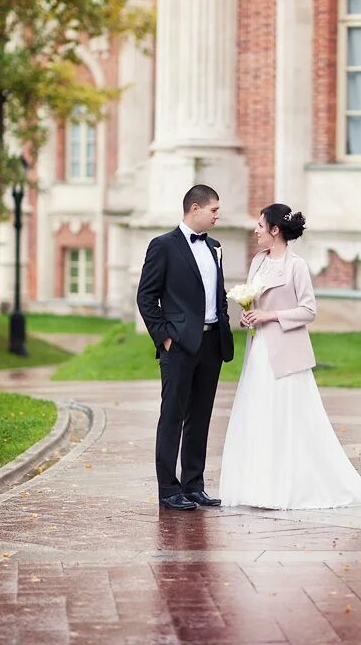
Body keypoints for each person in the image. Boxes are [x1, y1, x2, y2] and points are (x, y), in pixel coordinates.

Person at [219, 203, 361, 510]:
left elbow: (308, 310)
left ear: (275, 230)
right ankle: (256, 485)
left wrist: (269, 315)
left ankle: (289, 486)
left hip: (287, 353)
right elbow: (254, 301)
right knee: (259, 414)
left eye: (261, 226)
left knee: (286, 417)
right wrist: (248, 315)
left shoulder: (296, 266)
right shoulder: (258, 261)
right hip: (259, 350)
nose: (256, 231)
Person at [136, 184, 235, 511]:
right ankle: (168, 490)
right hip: (178, 346)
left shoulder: (215, 246)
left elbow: (218, 292)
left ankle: (194, 485)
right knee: (173, 415)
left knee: (201, 416)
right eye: (214, 210)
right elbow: (146, 297)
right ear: (195, 208)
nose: (218, 215)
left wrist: (223, 322)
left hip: (211, 344)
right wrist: (164, 336)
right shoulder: (163, 246)